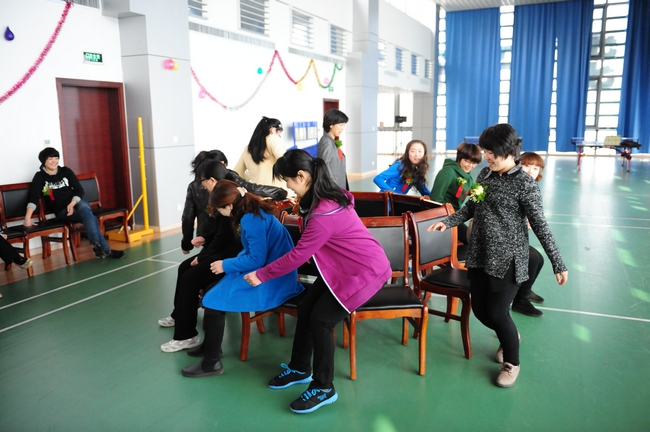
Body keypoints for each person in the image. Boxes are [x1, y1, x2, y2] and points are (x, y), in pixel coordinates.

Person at [243, 149, 391, 414]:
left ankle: (323, 387)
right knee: (307, 309)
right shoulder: (324, 197)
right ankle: (300, 368)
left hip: (364, 272)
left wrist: (262, 274)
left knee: (321, 321)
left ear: (301, 176)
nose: (287, 186)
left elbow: (298, 255)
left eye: (288, 180)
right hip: (342, 269)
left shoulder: (324, 213)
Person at [427, 124, 568, 388]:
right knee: (481, 311)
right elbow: (470, 208)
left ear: (509, 152)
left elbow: (541, 225)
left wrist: (557, 263)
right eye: (485, 151)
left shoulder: (525, 184)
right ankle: (510, 334)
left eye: (490, 152)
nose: (486, 156)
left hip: (508, 260)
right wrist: (447, 222)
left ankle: (511, 362)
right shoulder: (485, 175)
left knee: (497, 312)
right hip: (480, 254)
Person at [180, 180, 303, 377]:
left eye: (219, 208)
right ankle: (210, 347)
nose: (218, 212)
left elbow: (256, 258)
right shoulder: (253, 211)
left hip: (271, 279)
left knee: (212, 300)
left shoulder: (250, 220)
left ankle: (211, 363)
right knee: (212, 289)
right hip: (271, 272)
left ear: (229, 206)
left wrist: (225, 265)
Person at [159, 160, 243, 351]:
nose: (202, 186)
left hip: (231, 257)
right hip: (223, 251)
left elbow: (225, 238)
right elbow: (220, 231)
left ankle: (186, 335)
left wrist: (203, 257)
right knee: (184, 268)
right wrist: (205, 238)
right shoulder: (223, 194)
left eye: (203, 181)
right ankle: (180, 315)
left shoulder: (227, 197)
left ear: (212, 180)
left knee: (190, 277)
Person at [23, 147, 124, 259]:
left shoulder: (65, 171)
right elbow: (34, 198)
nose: (54, 161)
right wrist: (27, 217)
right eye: (51, 159)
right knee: (90, 217)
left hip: (76, 202)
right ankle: (105, 249)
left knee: (85, 209)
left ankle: (97, 245)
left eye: (56, 158)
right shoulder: (40, 177)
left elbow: (79, 190)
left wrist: (71, 204)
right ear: (44, 161)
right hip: (62, 210)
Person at [511, 152, 547, 317]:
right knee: (532, 258)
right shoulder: (512, 183)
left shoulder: (531, 186)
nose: (531, 170)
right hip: (502, 236)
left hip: (515, 234)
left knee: (539, 259)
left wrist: (528, 219)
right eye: (526, 165)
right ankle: (520, 301)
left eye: (535, 168)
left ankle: (525, 290)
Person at [430, 142, 482, 244]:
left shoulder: (467, 175)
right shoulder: (448, 171)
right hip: (445, 216)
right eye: (467, 161)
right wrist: (442, 220)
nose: (470, 165)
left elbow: (472, 193)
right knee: (470, 239)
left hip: (456, 215)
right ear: (459, 157)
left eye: (473, 163)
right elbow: (435, 199)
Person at [181, 150, 228, 254]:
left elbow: (188, 218)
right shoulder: (228, 182)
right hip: (216, 237)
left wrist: (186, 244)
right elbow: (188, 217)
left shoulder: (194, 186)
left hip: (209, 235)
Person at [233, 116, 288, 190]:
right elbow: (285, 163)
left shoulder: (248, 149)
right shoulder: (273, 139)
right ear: (272, 130)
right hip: (278, 193)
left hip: (257, 195)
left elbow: (237, 173)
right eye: (279, 133)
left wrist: (252, 176)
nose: (279, 136)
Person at [317, 109, 349, 190]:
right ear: (331, 124)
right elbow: (325, 166)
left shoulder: (331, 140)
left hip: (338, 185)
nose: (342, 128)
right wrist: (334, 187)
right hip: (334, 187)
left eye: (344, 125)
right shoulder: (326, 141)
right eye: (340, 125)